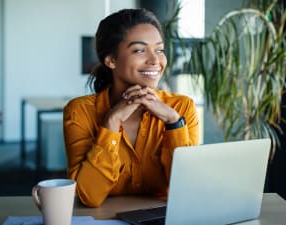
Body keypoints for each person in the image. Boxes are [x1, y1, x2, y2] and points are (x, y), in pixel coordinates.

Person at [63, 8, 199, 208]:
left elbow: (189, 189)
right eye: (140, 50)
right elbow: (89, 196)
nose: (155, 61)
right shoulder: (79, 111)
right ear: (111, 60)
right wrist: (111, 123)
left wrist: (173, 123)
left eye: (159, 50)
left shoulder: (180, 108)